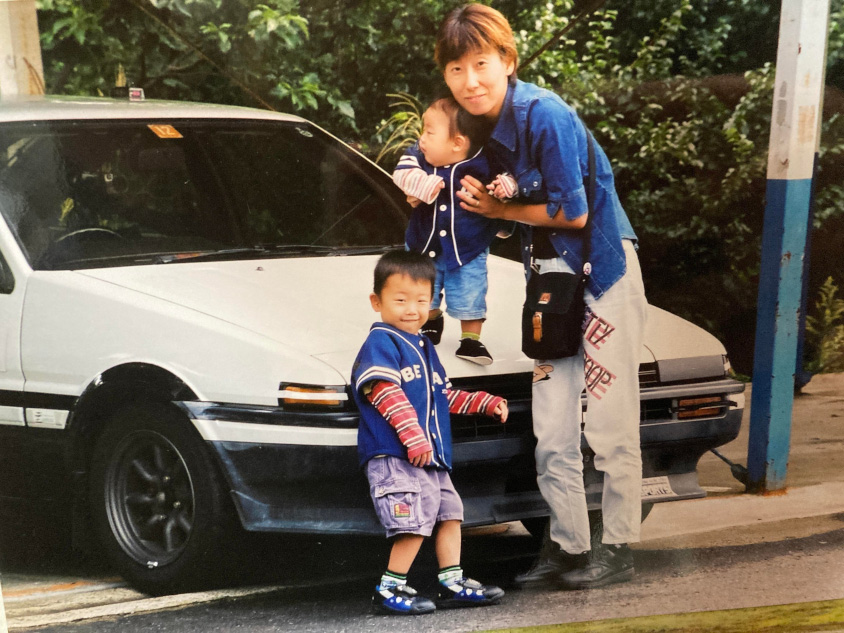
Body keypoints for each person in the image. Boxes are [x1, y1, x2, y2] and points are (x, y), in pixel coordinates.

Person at [434, 4, 648, 590]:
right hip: (550, 283)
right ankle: (571, 550)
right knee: (552, 430)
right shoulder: (483, 128)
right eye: (457, 68)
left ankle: (621, 546)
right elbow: (496, 221)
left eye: (481, 63)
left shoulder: (543, 113)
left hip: (601, 274)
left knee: (608, 421)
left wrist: (499, 208)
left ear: (507, 60)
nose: (470, 80)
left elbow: (574, 212)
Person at [352, 249, 509, 615]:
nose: (412, 309)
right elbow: (384, 393)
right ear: (377, 302)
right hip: (397, 456)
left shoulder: (423, 346)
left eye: (422, 300)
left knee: (450, 513)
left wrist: (483, 402)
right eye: (401, 299)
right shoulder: (382, 343)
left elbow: (445, 395)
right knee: (412, 523)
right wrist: (414, 438)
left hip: (431, 458)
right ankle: (389, 588)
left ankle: (451, 581)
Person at [393, 96, 517, 365]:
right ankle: (431, 321)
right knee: (422, 288)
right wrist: (419, 184)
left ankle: (471, 341)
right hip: (423, 245)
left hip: (468, 247)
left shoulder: (486, 162)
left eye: (429, 131)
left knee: (470, 290)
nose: (421, 138)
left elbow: (510, 175)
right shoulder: (419, 156)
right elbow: (401, 172)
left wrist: (506, 187)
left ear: (457, 142)